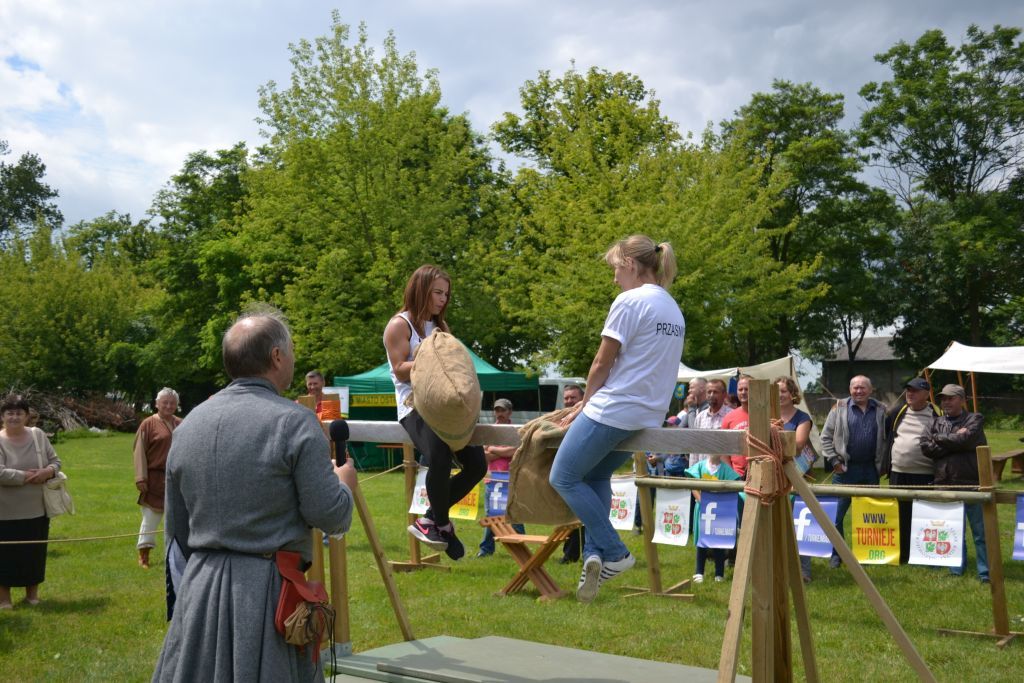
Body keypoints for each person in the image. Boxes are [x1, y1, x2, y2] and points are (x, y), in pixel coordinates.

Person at [153, 308, 356, 681]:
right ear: (277, 356)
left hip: (199, 590)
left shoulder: (188, 424)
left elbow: (177, 534)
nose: (292, 358)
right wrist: (345, 483)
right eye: (290, 350)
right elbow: (329, 514)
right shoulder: (295, 421)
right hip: (267, 596)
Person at [549, 235, 685, 603]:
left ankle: (614, 551)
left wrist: (583, 404)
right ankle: (595, 554)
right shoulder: (672, 308)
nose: (614, 279)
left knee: (563, 476)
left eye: (615, 269)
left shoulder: (629, 301)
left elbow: (601, 362)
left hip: (614, 408)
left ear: (630, 264)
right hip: (649, 414)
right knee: (595, 475)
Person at [383, 265, 487, 561]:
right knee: (439, 456)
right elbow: (399, 370)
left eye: (446, 294)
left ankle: (431, 519)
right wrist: (428, 362)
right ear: (421, 290)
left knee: (478, 465)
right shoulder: (399, 325)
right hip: (412, 406)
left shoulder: (441, 328)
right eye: (437, 292)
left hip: (443, 407)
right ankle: (442, 525)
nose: (443, 299)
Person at [921, 384, 989, 582]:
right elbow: (926, 447)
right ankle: (956, 569)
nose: (946, 402)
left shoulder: (975, 419)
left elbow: (966, 440)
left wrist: (939, 439)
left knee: (980, 532)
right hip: (945, 483)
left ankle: (985, 572)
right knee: (952, 530)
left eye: (951, 398)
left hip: (971, 483)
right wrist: (955, 439)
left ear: (962, 400)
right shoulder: (935, 421)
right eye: (943, 399)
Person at [0, 394, 62, 609]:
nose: (14, 417)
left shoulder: (38, 435)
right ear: (2, 417)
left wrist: (48, 471)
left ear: (27, 416)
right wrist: (27, 476)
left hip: (37, 509)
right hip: (4, 511)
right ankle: (4, 599)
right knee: (4, 556)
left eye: (19, 413)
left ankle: (32, 596)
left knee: (34, 554)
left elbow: (56, 462)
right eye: (10, 413)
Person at [820, 375, 886, 568]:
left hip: (870, 470)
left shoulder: (881, 409)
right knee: (835, 516)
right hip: (844, 470)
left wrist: (882, 464)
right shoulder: (839, 408)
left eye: (863, 387)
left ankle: (866, 554)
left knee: (869, 516)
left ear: (870, 390)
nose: (859, 391)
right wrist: (834, 461)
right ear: (850, 390)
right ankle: (837, 554)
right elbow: (825, 437)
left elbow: (886, 438)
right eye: (855, 387)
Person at [885, 377, 940, 564]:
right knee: (900, 514)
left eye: (915, 391)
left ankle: (922, 553)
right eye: (908, 390)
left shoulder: (936, 414)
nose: (910, 393)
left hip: (925, 473)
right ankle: (902, 554)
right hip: (898, 472)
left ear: (926, 394)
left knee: (923, 515)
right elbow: (887, 435)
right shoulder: (897, 412)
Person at [133, 387, 182, 570]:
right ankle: (144, 556)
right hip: (154, 478)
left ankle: (177, 555)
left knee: (178, 520)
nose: (169, 406)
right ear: (157, 404)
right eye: (165, 402)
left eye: (172, 403)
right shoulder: (148, 424)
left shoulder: (181, 423)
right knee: (151, 518)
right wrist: (141, 477)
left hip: (177, 480)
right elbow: (139, 451)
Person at [773, 376, 816, 583]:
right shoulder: (768, 415)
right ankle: (776, 568)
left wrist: (775, 437)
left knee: (797, 524)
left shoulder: (802, 417)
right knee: (774, 524)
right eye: (776, 391)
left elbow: (797, 445)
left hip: (795, 477)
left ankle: (803, 571)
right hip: (772, 475)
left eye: (783, 391)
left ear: (792, 394)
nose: (779, 395)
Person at [477, 398, 525, 557]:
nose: (499, 413)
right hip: (492, 479)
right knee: (491, 515)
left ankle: (520, 547)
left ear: (510, 412)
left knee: (513, 514)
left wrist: (493, 449)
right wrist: (503, 452)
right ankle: (486, 549)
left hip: (511, 479)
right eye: (497, 410)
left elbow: (515, 451)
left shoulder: (516, 430)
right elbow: (484, 456)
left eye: (503, 410)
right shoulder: (490, 431)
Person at [685, 452, 742, 583]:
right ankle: (699, 572)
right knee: (702, 541)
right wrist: (701, 500)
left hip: (719, 511)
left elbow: (734, 483)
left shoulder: (725, 469)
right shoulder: (700, 466)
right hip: (703, 510)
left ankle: (719, 573)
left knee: (718, 541)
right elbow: (693, 485)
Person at [559, 384, 586, 564]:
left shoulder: (586, 418)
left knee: (585, 514)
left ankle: (588, 553)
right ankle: (570, 553)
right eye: (566, 398)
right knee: (568, 514)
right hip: (567, 472)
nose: (569, 401)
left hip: (585, 471)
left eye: (573, 398)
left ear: (582, 399)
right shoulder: (562, 417)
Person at [688, 379, 733, 466]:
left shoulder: (731, 415)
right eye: (709, 392)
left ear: (724, 394)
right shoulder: (700, 417)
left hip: (724, 471)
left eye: (715, 392)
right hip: (703, 470)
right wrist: (692, 470)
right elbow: (695, 446)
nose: (711, 395)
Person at [722, 376, 752, 477]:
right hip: (736, 474)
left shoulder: (766, 415)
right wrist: (731, 474)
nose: (743, 392)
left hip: (761, 474)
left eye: (747, 389)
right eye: (740, 389)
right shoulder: (729, 417)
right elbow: (724, 450)